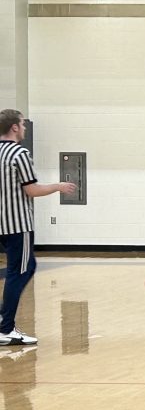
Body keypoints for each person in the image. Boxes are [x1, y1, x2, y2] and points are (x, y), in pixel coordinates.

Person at [0, 110, 77, 345]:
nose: (24, 128)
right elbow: (31, 190)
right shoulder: (20, 153)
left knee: (21, 269)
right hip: (17, 224)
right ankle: (6, 328)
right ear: (14, 127)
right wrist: (58, 186)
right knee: (22, 270)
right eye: (22, 124)